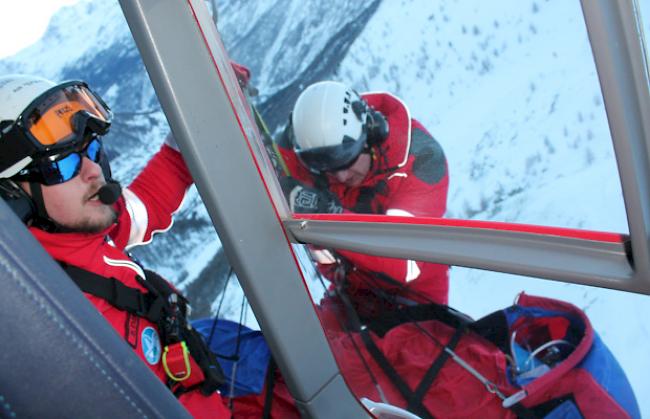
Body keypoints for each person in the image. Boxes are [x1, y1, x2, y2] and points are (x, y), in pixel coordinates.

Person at [0, 74, 230, 418]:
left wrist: (194, 123)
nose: (94, 171)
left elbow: (147, 203)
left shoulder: (81, 229)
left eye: (91, 149)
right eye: (63, 165)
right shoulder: (50, 324)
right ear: (14, 197)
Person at [276, 80, 450, 317]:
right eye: (325, 166)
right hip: (349, 292)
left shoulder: (423, 161)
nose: (341, 175)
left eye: (347, 159)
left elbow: (405, 259)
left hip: (416, 300)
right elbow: (260, 162)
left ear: (371, 133)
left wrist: (327, 213)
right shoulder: (316, 146)